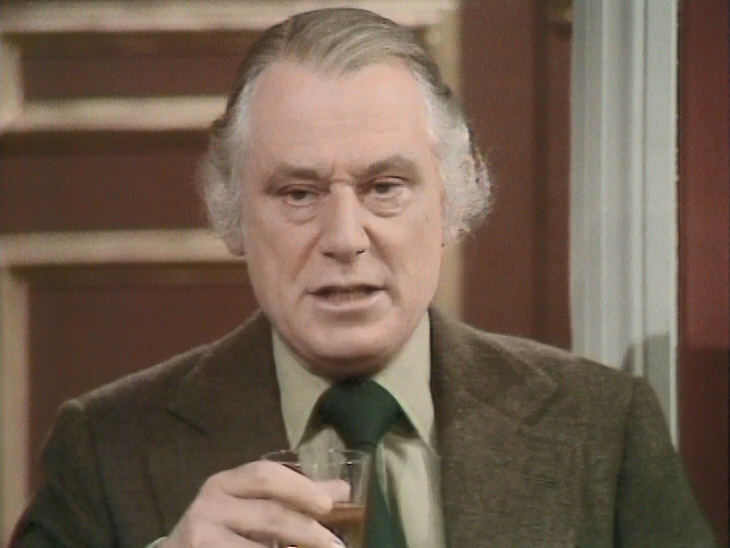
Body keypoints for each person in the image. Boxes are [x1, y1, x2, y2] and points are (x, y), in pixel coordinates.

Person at [11, 8, 715, 548]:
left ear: (452, 201)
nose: (345, 238)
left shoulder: (603, 427)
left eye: (385, 187)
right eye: (298, 194)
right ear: (231, 214)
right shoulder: (106, 448)